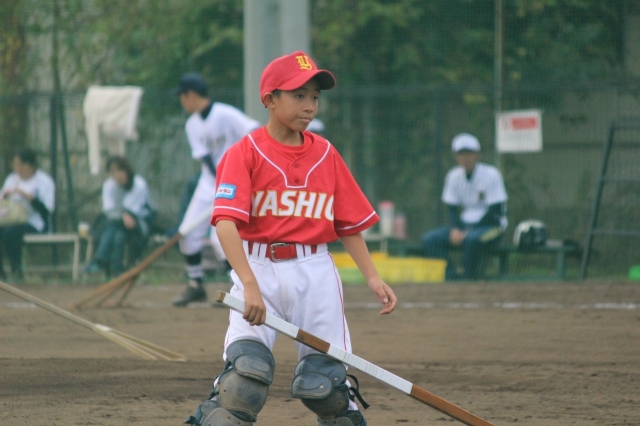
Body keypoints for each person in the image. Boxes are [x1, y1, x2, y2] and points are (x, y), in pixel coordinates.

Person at [182, 51, 397, 426]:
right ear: (270, 99)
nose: (309, 105)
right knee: (242, 382)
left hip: (315, 272)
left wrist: (373, 277)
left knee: (326, 387)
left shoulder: (326, 154)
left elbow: (348, 224)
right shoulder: (244, 153)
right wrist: (249, 284)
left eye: (315, 96)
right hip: (258, 268)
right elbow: (226, 223)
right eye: (298, 95)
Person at [172, 72, 260, 307]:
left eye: (183, 96)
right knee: (187, 233)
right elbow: (206, 159)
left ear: (191, 95)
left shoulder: (224, 113)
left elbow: (254, 131)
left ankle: (239, 289)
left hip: (233, 184)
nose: (182, 101)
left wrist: (244, 169)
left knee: (220, 239)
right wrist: (219, 181)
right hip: (209, 184)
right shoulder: (192, 124)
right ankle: (196, 285)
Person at [421, 133, 508, 280]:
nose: (465, 157)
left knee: (471, 240)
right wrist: (454, 229)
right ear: (456, 156)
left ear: (477, 154)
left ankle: (469, 278)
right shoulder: (453, 176)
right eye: (461, 154)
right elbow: (452, 209)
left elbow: (496, 211)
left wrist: (469, 231)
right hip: (464, 225)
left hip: (492, 226)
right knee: (430, 239)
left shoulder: (491, 174)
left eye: (469, 153)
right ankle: (451, 276)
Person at [82, 156, 155, 279]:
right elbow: (108, 209)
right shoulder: (109, 185)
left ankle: (100, 259)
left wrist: (120, 214)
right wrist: (121, 215)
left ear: (125, 170)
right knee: (118, 234)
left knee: (115, 226)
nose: (114, 175)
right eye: (111, 172)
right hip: (118, 222)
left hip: (140, 223)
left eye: (116, 171)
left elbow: (132, 213)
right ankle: (118, 269)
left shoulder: (139, 185)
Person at [0, 148, 55, 282]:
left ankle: (16, 269)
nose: (16, 168)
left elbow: (47, 210)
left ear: (28, 165)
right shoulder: (12, 179)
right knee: (7, 230)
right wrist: (7, 196)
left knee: (9, 233)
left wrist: (28, 197)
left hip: (35, 223)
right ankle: (1, 273)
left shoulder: (44, 181)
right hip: (12, 220)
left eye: (18, 164)